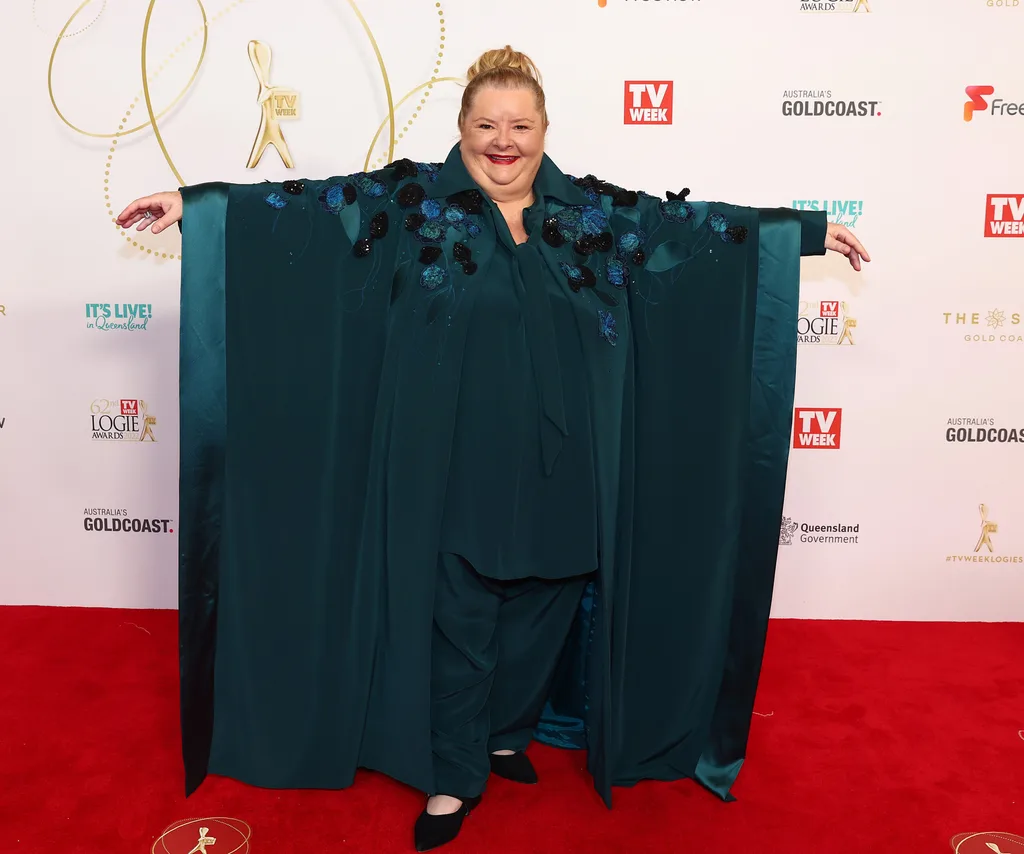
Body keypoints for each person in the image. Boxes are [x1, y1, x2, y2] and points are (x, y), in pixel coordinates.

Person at [119, 46, 869, 852]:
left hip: (566, 467)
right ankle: (452, 776)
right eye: (485, 125)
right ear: (462, 129)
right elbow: (304, 207)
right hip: (454, 466)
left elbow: (688, 227)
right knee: (460, 619)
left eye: (519, 126)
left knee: (545, 607)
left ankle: (506, 732)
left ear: (544, 131)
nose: (502, 142)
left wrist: (805, 233)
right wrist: (195, 207)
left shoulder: (591, 214)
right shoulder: (411, 201)